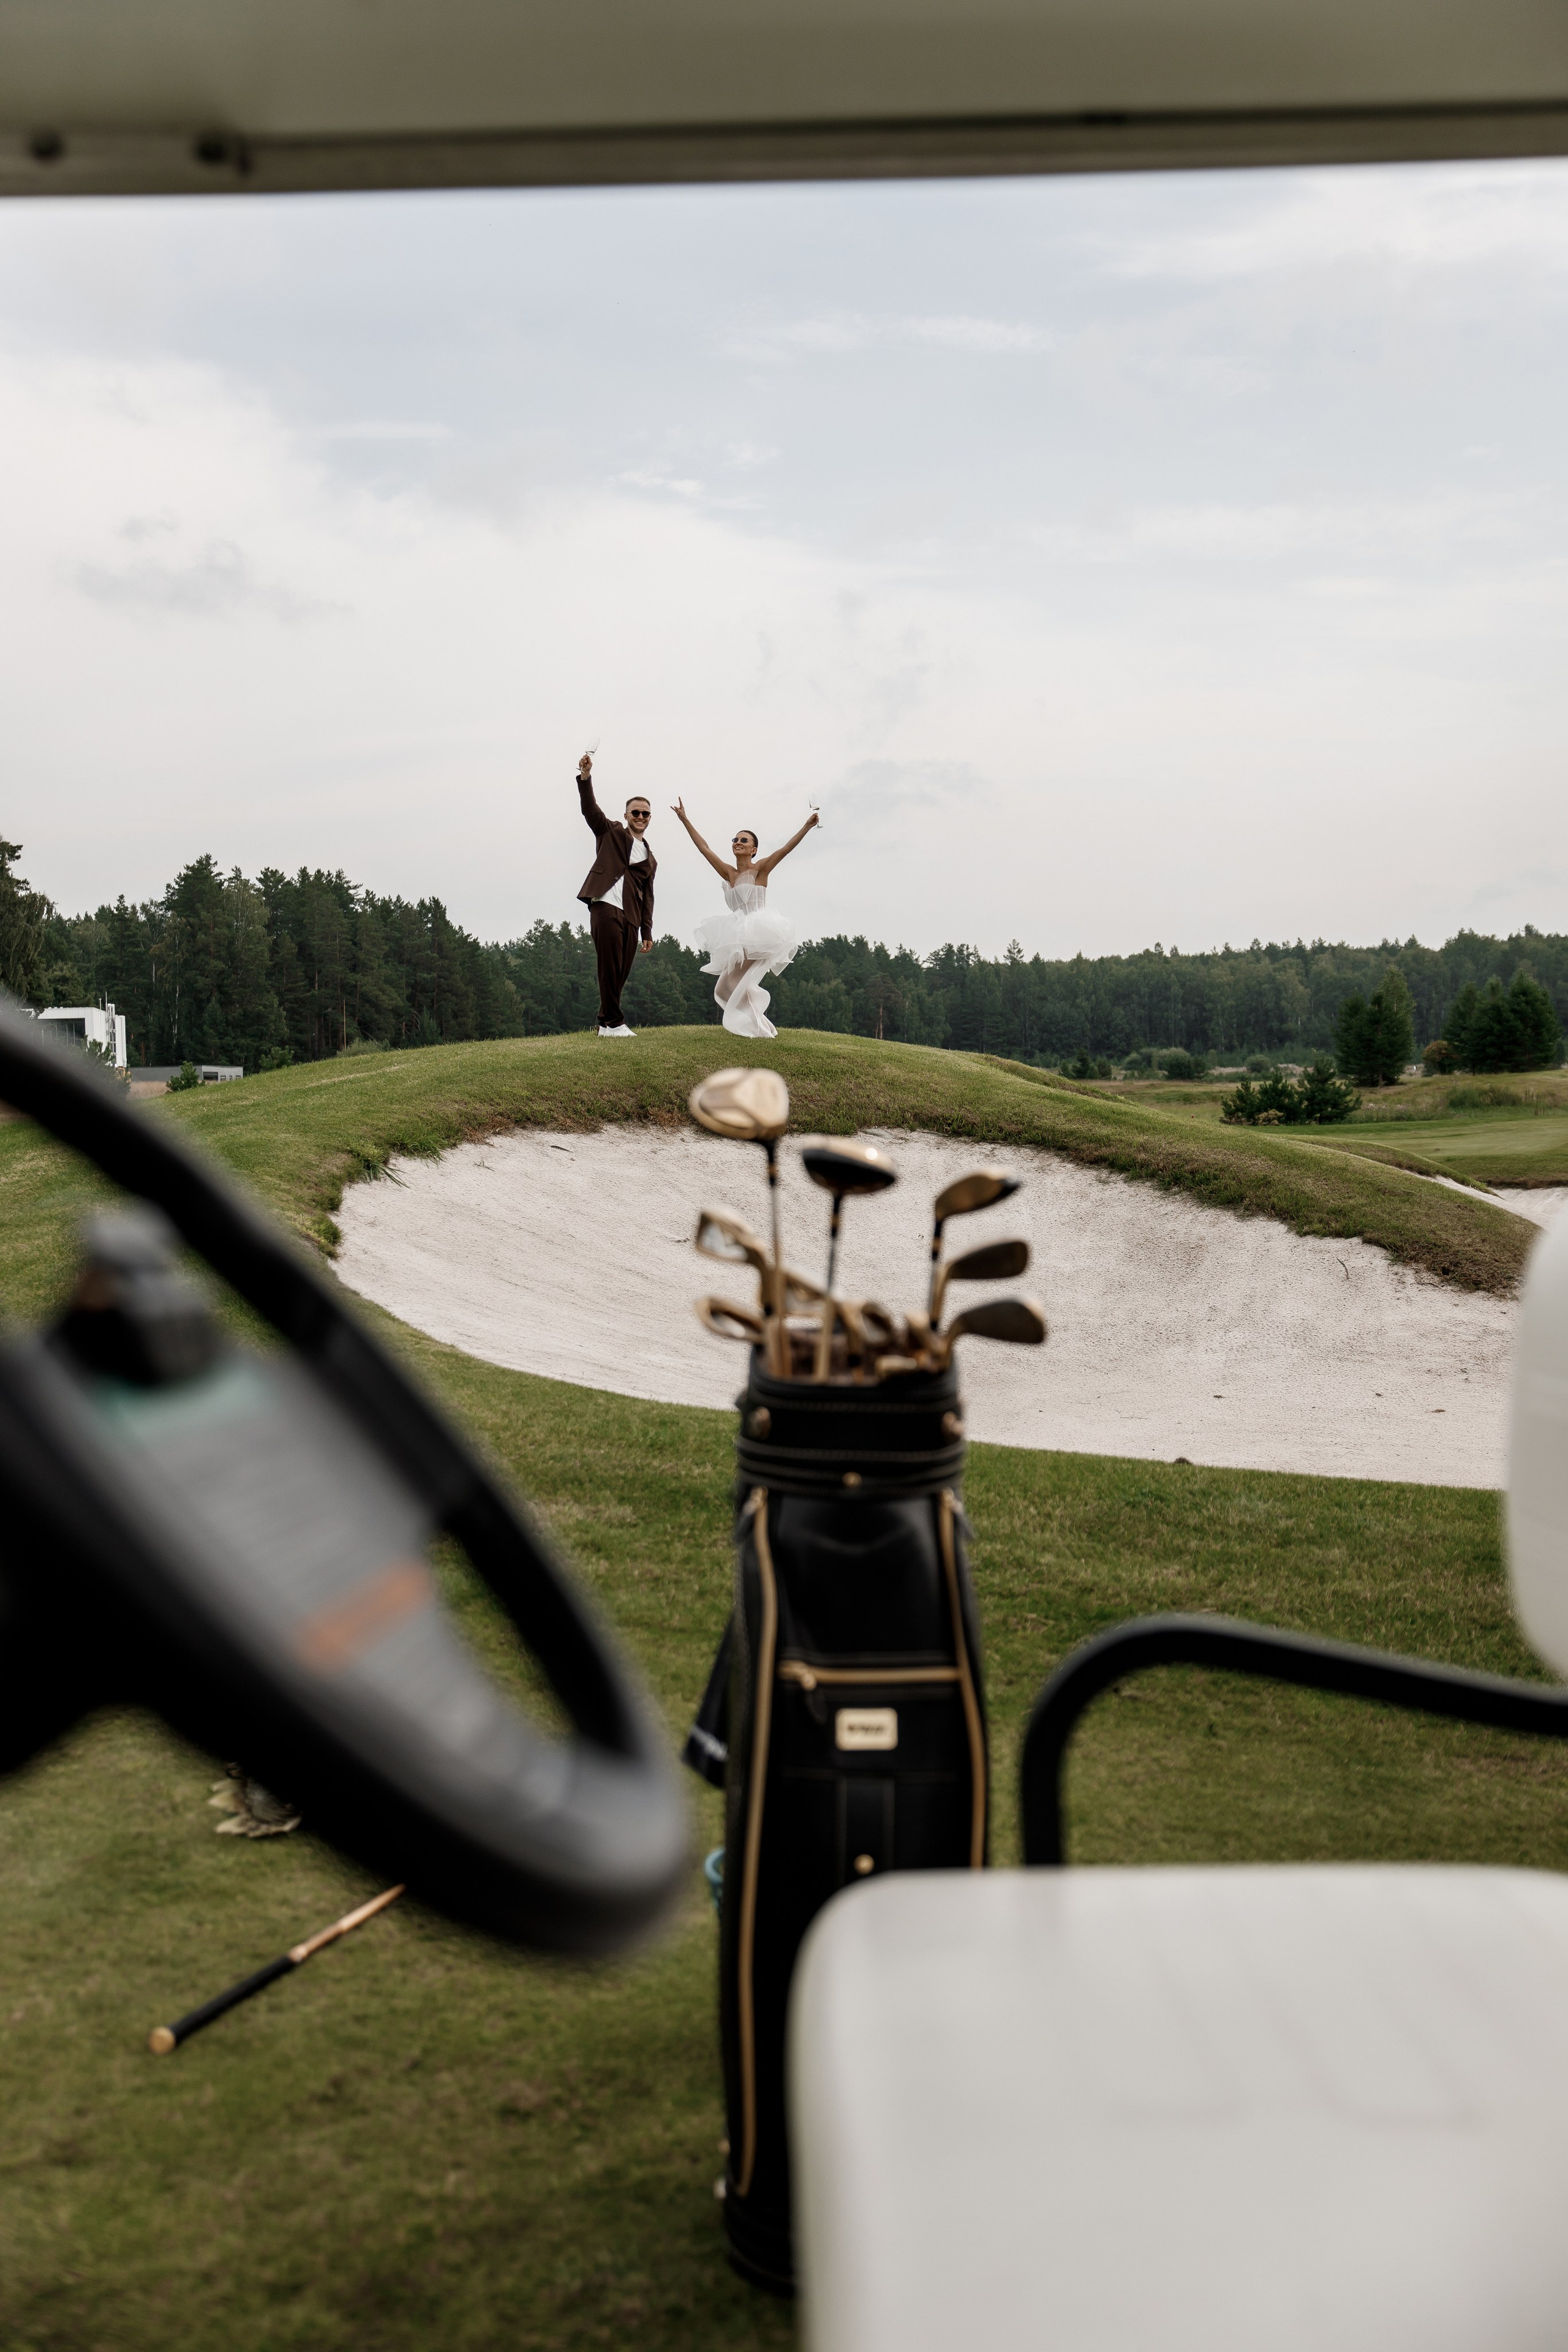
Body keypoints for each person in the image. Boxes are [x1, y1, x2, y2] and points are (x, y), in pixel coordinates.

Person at [669, 799, 819, 1039]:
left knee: (735, 984)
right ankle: (762, 1027)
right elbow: (704, 849)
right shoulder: (730, 873)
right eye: (735, 840)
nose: (738, 843)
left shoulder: (761, 869)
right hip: (739, 933)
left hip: (759, 931)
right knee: (725, 987)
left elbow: (785, 849)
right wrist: (685, 819)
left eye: (744, 840)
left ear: (754, 850)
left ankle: (759, 1029)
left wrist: (807, 826)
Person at [576, 754, 655, 1038]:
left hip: (631, 917)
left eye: (645, 813)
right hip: (605, 906)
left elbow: (648, 897)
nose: (640, 817)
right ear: (626, 815)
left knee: (621, 970)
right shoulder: (610, 832)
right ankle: (616, 1023)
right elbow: (590, 811)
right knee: (608, 966)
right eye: (635, 812)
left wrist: (647, 930)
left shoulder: (650, 858)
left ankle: (604, 1023)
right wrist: (586, 778)